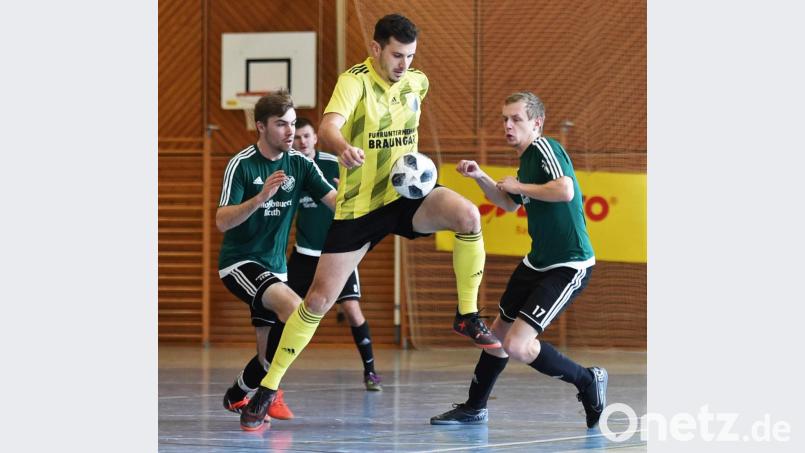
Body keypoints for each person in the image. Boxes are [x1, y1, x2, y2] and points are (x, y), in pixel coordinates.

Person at [239, 13, 499, 430]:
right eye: (397, 55)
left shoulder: (418, 82)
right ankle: (267, 390)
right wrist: (342, 147)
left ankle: (466, 314)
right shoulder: (354, 81)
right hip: (359, 209)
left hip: (405, 196)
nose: (404, 64)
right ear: (376, 48)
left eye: (411, 56)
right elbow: (328, 127)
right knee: (318, 303)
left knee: (467, 214)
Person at [429, 91, 608, 429]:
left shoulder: (544, 149)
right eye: (505, 119)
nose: (508, 126)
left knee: (517, 345)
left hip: (569, 265)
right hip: (536, 262)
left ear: (536, 123)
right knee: (497, 333)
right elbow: (510, 203)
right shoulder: (525, 160)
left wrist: (520, 184)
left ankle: (587, 380)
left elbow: (565, 189)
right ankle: (474, 407)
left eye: (516, 120)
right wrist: (481, 176)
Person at [214, 91, 337, 429]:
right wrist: (261, 197)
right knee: (298, 310)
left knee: (270, 356)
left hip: (275, 269)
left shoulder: (299, 162)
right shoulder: (242, 164)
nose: (290, 132)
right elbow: (222, 221)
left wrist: (371, 202)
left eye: (294, 124)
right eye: (282, 124)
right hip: (240, 263)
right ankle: (262, 399)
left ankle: (238, 393)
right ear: (261, 126)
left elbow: (334, 201)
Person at [288, 117, 383, 391]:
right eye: (297, 138)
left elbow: (364, 197)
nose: (302, 142)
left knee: (352, 310)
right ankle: (272, 373)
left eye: (306, 136)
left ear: (316, 138)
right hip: (303, 253)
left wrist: (349, 192)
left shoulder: (333, 163)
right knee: (285, 311)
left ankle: (370, 371)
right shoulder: (290, 169)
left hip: (337, 253)